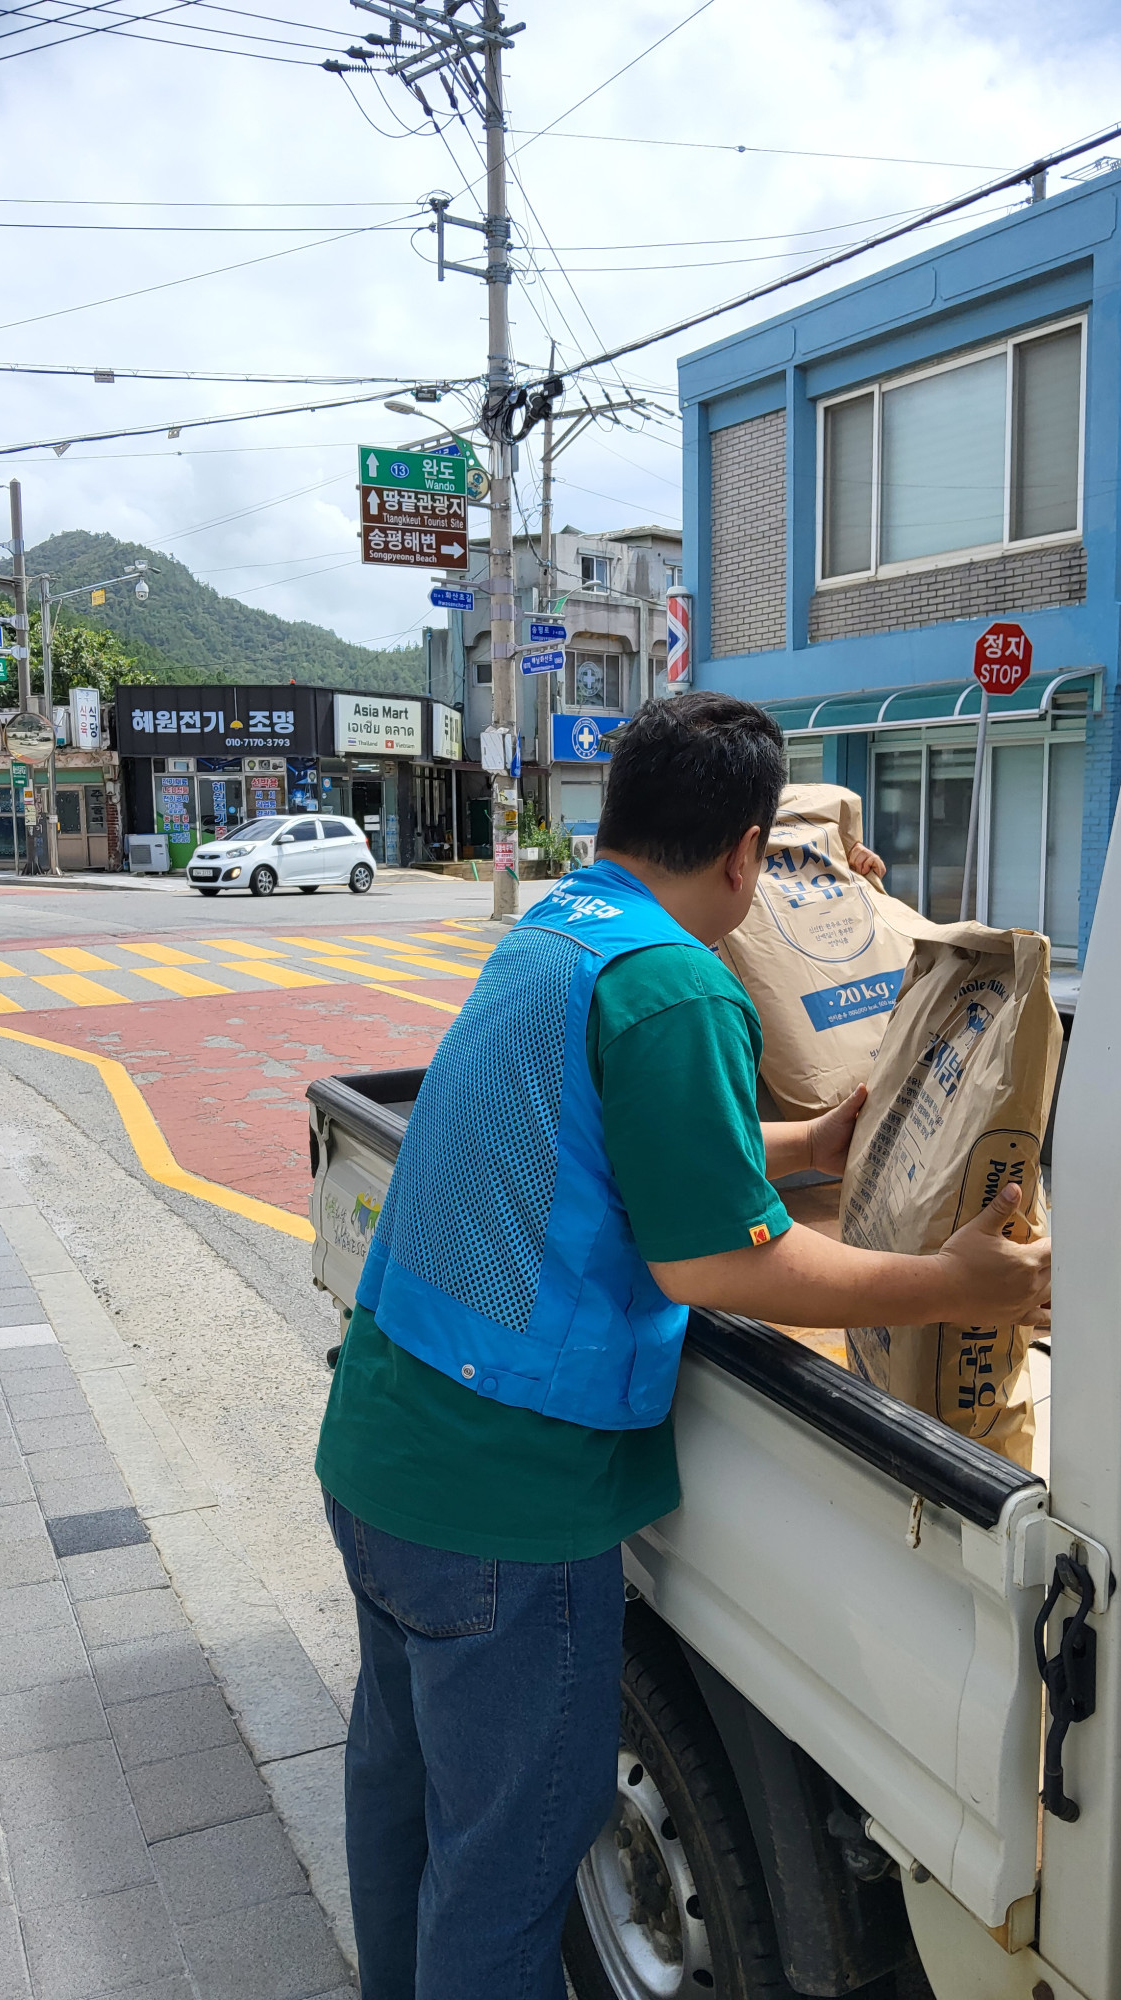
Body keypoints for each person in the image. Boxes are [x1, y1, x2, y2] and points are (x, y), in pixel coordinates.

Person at [315, 691, 1051, 2000]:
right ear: (745, 853)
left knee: (403, 1797)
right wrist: (953, 1282)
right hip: (504, 1506)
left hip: (382, 1450)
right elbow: (719, 1263)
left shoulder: (560, 931)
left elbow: (634, 1141)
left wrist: (810, 1143)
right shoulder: (676, 984)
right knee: (505, 1869)